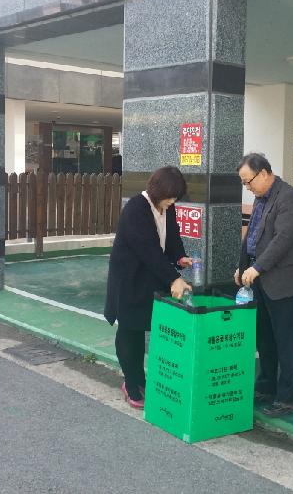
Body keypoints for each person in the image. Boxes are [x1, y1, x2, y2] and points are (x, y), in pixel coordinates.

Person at [104, 166, 193, 409]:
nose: (172, 202)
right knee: (129, 330)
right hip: (129, 279)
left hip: (148, 278)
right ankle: (131, 383)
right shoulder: (136, 208)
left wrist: (180, 257)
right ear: (156, 190)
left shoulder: (167, 207)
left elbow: (172, 237)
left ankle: (140, 379)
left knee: (141, 327)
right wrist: (174, 278)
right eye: (169, 197)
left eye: (175, 197)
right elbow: (148, 250)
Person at [234, 153, 293, 418]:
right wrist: (243, 267)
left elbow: (282, 240)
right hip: (259, 280)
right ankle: (266, 386)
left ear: (263, 173)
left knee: (286, 341)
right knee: (264, 337)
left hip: (283, 282)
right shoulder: (261, 197)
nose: (247, 187)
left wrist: (257, 268)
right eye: (244, 183)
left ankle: (288, 397)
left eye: (248, 181)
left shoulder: (289, 197)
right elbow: (253, 237)